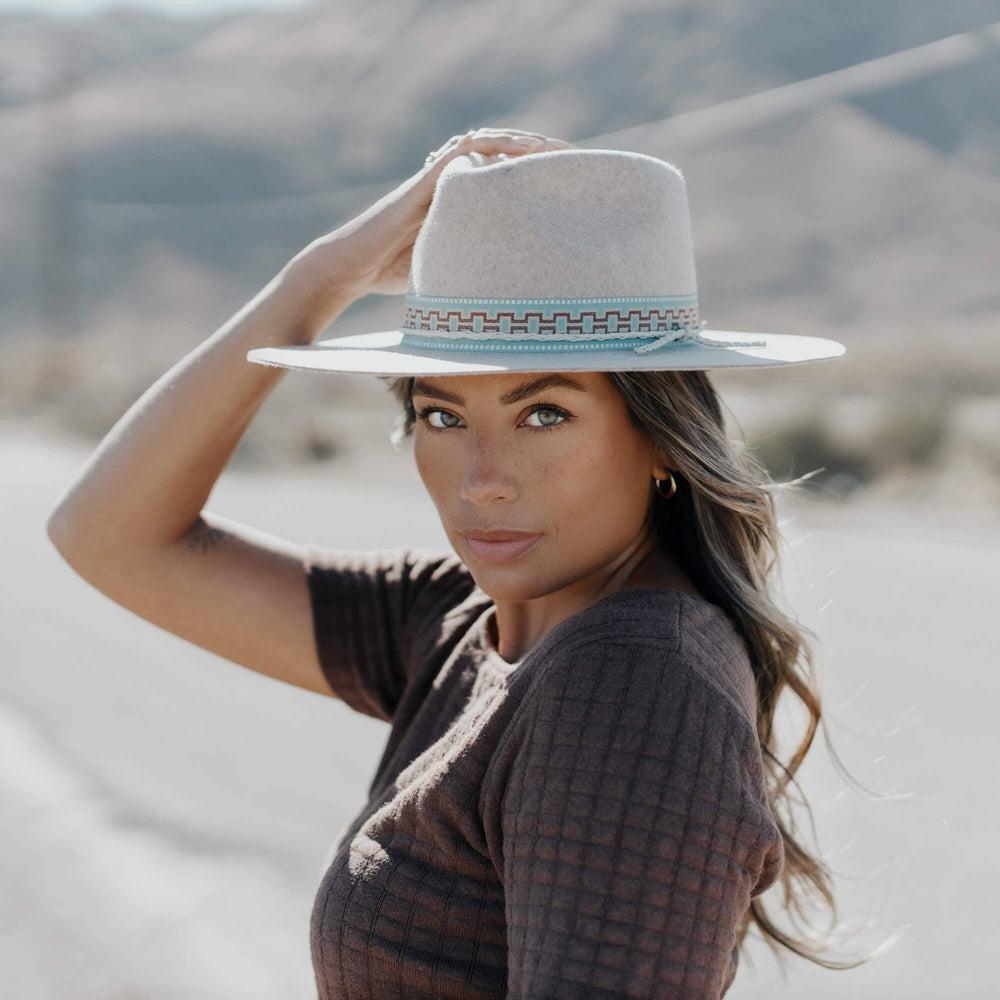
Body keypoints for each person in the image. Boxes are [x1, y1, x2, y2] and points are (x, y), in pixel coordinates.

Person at [47, 128, 856, 998]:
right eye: (442, 416)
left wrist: (320, 286)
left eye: (543, 414)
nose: (483, 482)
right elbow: (110, 535)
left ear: (661, 439)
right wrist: (319, 280)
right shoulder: (470, 624)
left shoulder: (630, 681)